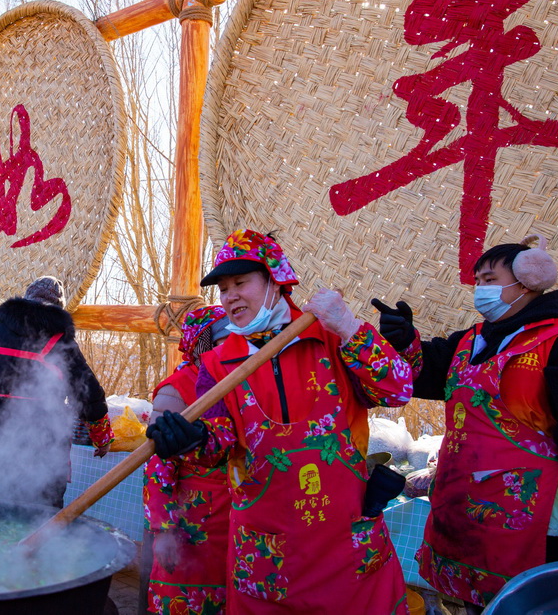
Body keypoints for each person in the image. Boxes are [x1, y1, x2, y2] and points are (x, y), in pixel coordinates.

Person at [148, 229, 413, 614]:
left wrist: (352, 329)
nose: (230, 295)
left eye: (240, 282)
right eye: (223, 288)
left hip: (345, 540)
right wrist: (190, 440)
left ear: (275, 280)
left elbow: (397, 391)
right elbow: (220, 444)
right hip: (266, 554)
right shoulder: (217, 364)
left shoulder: (330, 338)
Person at [372, 234, 558, 609]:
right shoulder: (471, 341)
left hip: (539, 526)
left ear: (528, 281)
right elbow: (423, 374)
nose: (480, 289)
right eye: (477, 281)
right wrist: (406, 340)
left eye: (490, 279)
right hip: (466, 519)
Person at [0, 276, 114, 509]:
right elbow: (87, 394)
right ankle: (35, 545)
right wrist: (102, 437)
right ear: (59, 307)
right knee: (38, 513)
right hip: (43, 434)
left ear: (25, 299)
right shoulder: (61, 343)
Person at [144, 305, 230, 614]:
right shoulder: (176, 389)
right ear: (203, 343)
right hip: (192, 517)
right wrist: (164, 528)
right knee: (187, 593)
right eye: (225, 340)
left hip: (236, 514)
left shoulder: (241, 381)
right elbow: (157, 464)